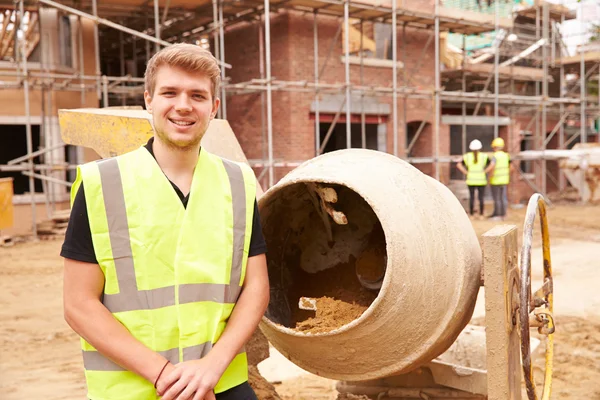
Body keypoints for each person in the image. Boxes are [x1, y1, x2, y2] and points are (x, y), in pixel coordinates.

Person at [60, 43, 270, 400]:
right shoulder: (102, 184)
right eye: (170, 92)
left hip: (220, 383)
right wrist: (164, 376)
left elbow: (257, 287)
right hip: (134, 388)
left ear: (214, 107)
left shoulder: (239, 182)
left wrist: (212, 367)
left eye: (198, 95)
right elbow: (78, 304)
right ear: (149, 100)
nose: (184, 105)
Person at [456, 139, 490, 219]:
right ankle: (481, 214)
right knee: (481, 198)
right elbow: (491, 164)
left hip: (471, 180)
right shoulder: (484, 156)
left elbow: (458, 165)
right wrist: (485, 171)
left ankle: (471, 215)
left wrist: (465, 172)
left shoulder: (467, 156)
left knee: (472, 197)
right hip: (481, 180)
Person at [485, 137, 513, 220]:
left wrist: (486, 173)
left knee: (497, 198)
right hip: (504, 180)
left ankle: (498, 215)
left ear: (494, 147)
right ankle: (503, 215)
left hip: (496, 180)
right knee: (503, 197)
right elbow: (511, 168)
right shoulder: (506, 155)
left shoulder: (495, 156)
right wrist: (506, 174)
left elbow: (492, 167)